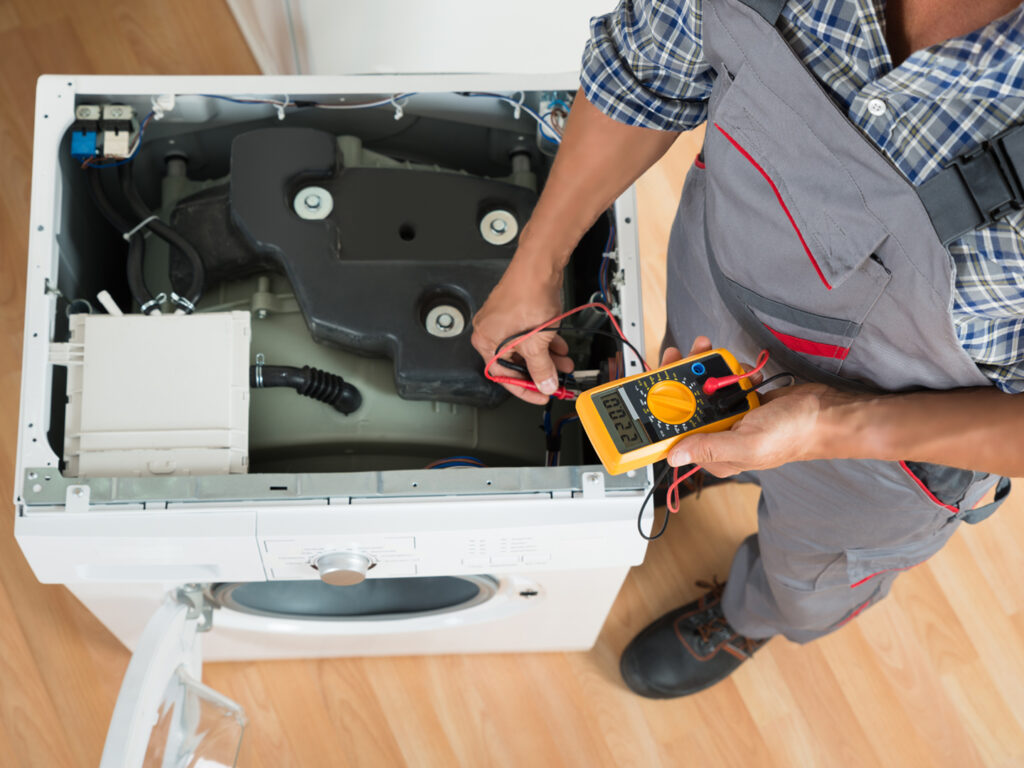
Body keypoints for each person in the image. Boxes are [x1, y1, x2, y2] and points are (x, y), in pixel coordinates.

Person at [471, 0, 1024, 698]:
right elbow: (643, 68)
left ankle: (747, 615)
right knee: (679, 415)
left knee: (809, 571)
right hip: (717, 305)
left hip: (895, 449)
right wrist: (535, 267)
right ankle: (699, 470)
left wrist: (828, 421)